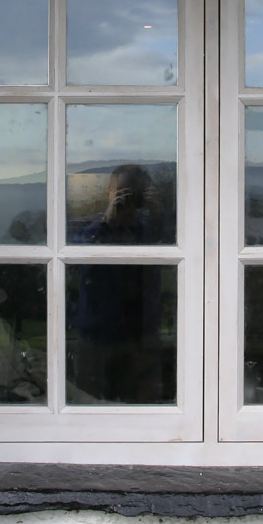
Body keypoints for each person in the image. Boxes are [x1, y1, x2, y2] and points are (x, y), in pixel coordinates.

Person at [67, 165, 168, 403]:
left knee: (144, 406)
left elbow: (182, 244)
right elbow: (76, 259)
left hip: (141, 334)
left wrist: (158, 213)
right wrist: (106, 222)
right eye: (123, 193)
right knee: (88, 405)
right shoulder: (90, 227)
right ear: (108, 193)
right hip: (96, 334)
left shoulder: (149, 228)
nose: (129, 200)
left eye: (135, 194)